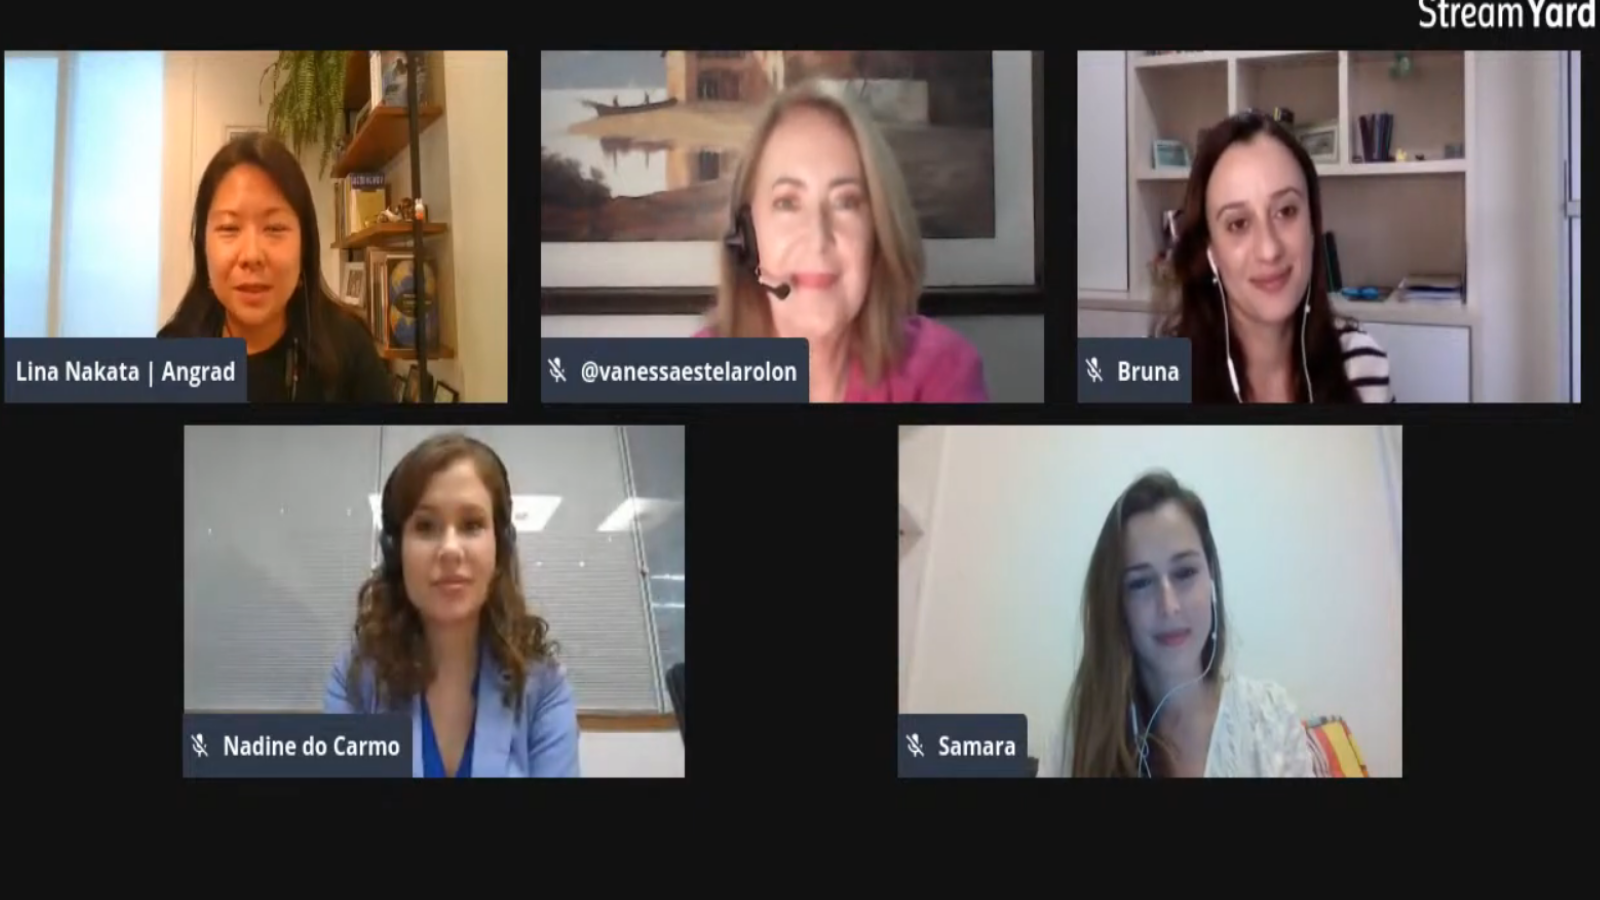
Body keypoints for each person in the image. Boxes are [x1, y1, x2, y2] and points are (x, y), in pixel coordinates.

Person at [696, 80, 988, 403]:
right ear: (746, 235)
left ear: (877, 230)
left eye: (845, 202)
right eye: (788, 202)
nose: (818, 238)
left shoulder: (942, 370)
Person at [324, 433, 581, 777]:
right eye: (426, 526)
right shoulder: (355, 680)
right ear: (396, 551)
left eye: (472, 525)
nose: (449, 549)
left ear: (500, 547)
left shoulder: (544, 688)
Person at [1039, 470, 1323, 777]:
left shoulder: (1270, 723)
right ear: (1117, 603)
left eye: (1185, 573)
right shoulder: (1081, 735)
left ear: (1211, 575)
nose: (1169, 606)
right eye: (1141, 583)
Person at [1158, 112, 1394, 403]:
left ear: (1312, 225)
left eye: (1286, 211)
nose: (1269, 250)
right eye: (1238, 224)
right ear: (1212, 251)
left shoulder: (1361, 365)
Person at [158, 133, 394, 403]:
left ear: (304, 244)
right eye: (229, 228)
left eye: (274, 228)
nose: (251, 255)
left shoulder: (349, 351)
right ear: (203, 246)